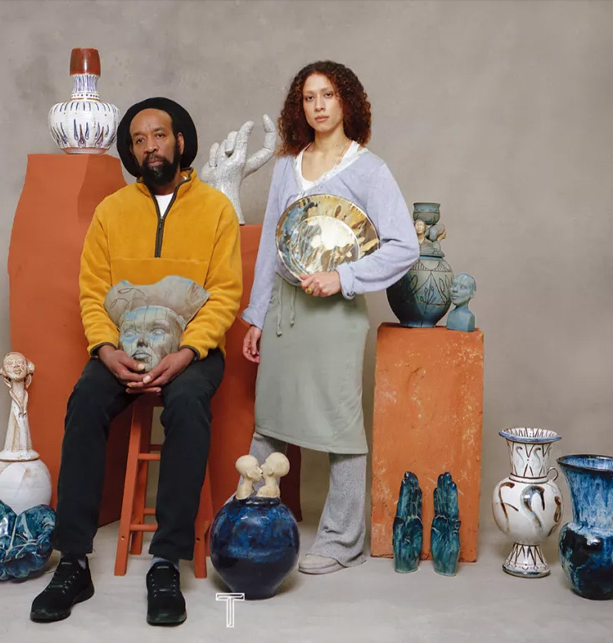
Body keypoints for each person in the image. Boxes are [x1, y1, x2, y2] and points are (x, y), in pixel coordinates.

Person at [30, 97, 243, 626]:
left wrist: (188, 352)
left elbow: (224, 295)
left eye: (160, 135)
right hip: (122, 349)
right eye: (140, 140)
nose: (151, 147)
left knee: (188, 405)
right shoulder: (111, 212)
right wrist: (107, 349)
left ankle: (166, 563)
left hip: (191, 351)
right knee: (85, 400)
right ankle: (72, 561)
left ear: (181, 141)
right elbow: (91, 293)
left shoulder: (216, 209)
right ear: (131, 151)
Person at [241, 61, 419, 575]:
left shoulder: (370, 170)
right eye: (308, 97)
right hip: (285, 309)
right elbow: (271, 247)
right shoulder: (286, 166)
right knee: (270, 419)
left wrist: (344, 277)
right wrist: (256, 316)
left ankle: (343, 540)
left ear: (347, 102)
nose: (318, 106)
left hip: (336, 315)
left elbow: (404, 246)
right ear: (299, 107)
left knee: (340, 427)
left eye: (328, 95)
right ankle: (251, 521)